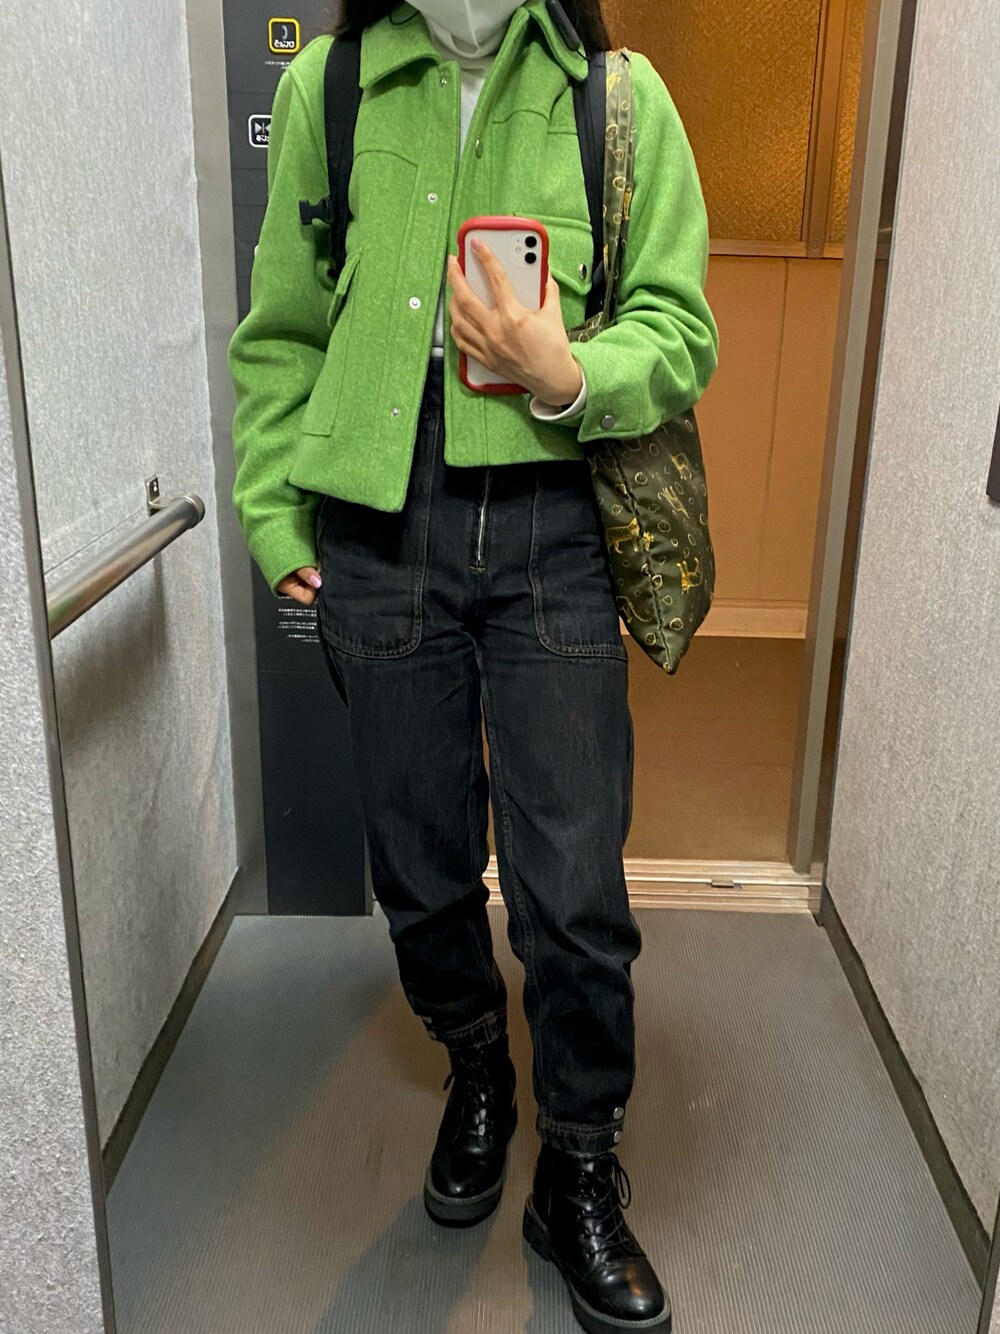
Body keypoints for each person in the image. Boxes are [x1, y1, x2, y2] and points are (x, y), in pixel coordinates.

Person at [228, 1, 718, 1328]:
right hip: (381, 526)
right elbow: (282, 331)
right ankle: (477, 1067)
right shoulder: (332, 87)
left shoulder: (615, 96)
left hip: (555, 520)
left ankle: (578, 1165)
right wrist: (276, 513)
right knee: (420, 861)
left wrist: (566, 373)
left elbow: (679, 325)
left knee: (575, 884)